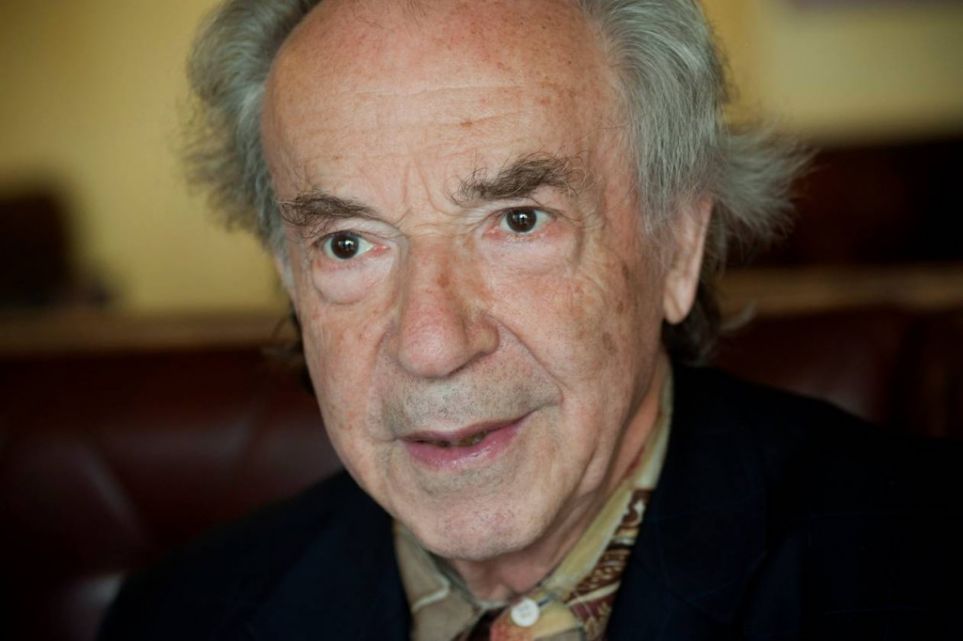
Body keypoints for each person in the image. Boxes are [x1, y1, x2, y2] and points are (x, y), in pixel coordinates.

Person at [100, 1, 961, 639]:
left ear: (677, 245)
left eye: (517, 220)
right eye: (348, 242)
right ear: (290, 275)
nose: (431, 344)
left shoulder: (923, 571)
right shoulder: (177, 617)